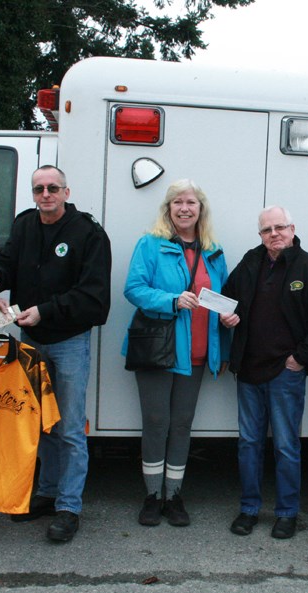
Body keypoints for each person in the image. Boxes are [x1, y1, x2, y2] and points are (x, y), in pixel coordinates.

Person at [0, 165, 112, 542]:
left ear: (66, 192)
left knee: (70, 427)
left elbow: (93, 295)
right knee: (40, 425)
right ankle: (47, 493)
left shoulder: (88, 233)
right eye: (39, 188)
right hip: (31, 342)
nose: (46, 194)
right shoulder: (25, 226)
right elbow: (6, 262)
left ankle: (69, 507)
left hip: (68, 342)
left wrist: (45, 311)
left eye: (53, 188)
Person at [221, 206, 308, 540]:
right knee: (249, 444)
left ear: (292, 228)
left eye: (280, 227)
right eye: (267, 230)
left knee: (286, 445)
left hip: (286, 372)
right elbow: (227, 300)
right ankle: (249, 509)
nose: (274, 234)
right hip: (249, 370)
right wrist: (226, 317)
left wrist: (300, 357)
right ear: (259, 235)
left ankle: (287, 513)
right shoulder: (250, 262)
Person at [123, 179, 231, 527]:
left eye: (191, 203)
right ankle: (152, 495)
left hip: (198, 353)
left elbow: (222, 301)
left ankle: (175, 495)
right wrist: (170, 300)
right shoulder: (151, 244)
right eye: (177, 203)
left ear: (201, 209)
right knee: (156, 423)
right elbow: (134, 288)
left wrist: (226, 332)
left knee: (182, 425)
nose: (184, 208)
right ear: (168, 209)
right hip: (160, 349)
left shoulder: (214, 250)